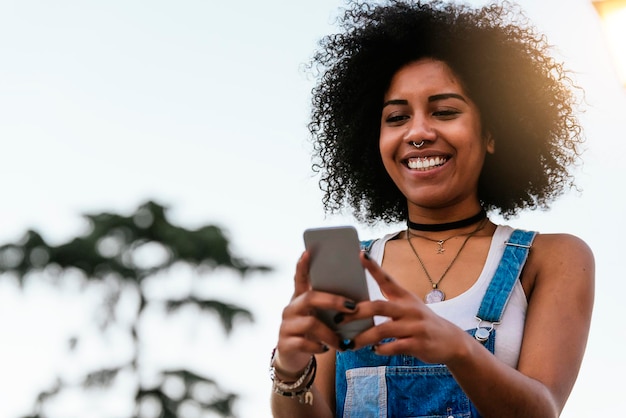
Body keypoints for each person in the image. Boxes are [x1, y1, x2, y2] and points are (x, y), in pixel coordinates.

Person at [270, 1, 594, 417]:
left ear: (494, 132)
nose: (418, 132)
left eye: (444, 112)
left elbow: (542, 410)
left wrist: (459, 349)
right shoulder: (345, 268)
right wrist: (290, 367)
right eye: (397, 117)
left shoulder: (552, 258)